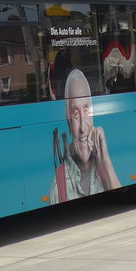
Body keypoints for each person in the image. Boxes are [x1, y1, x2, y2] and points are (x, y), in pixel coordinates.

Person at [49, 69, 120, 202]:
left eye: (86, 111)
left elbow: (120, 199)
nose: (82, 127)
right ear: (68, 120)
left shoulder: (104, 167)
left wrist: (106, 160)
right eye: (76, 114)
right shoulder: (58, 187)